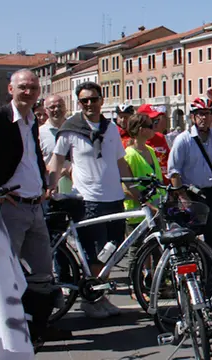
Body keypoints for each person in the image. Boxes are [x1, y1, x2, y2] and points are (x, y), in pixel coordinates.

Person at [0, 69, 70, 344]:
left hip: (34, 205)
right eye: (23, 87)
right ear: (11, 89)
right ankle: (3, 335)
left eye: (33, 87)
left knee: (42, 274)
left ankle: (39, 328)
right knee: (6, 274)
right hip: (10, 206)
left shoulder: (31, 121)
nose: (28, 92)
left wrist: (44, 184)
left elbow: (31, 157)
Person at [47, 81, 140, 319]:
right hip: (88, 200)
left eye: (93, 99)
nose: (89, 104)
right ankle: (91, 300)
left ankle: (98, 296)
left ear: (101, 100)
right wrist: (48, 186)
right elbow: (57, 160)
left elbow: (121, 162)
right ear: (79, 103)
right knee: (94, 254)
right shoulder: (71, 128)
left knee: (112, 252)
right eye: (84, 100)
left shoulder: (110, 128)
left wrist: (136, 190)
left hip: (114, 199)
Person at [167, 97, 212, 247]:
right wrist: (182, 196)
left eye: (208, 114)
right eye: (200, 114)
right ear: (193, 116)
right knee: (188, 238)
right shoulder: (183, 139)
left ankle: (210, 269)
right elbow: (173, 171)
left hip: (211, 193)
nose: (204, 117)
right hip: (190, 194)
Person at [122, 113, 163, 271]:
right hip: (138, 210)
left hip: (156, 207)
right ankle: (135, 284)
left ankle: (158, 283)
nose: (154, 128)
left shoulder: (150, 150)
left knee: (157, 247)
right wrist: (144, 203)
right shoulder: (129, 154)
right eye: (151, 125)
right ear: (141, 130)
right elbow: (126, 187)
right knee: (137, 250)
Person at [38, 94, 72, 194]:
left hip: (76, 188)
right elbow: (36, 161)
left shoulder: (75, 130)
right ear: (45, 110)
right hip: (50, 190)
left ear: (65, 108)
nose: (56, 109)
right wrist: (55, 170)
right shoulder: (39, 133)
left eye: (60, 106)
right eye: (52, 107)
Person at [136, 104, 171, 181]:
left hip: (165, 188)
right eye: (152, 121)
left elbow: (170, 163)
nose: (155, 125)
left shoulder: (160, 137)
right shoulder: (133, 146)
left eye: (157, 121)